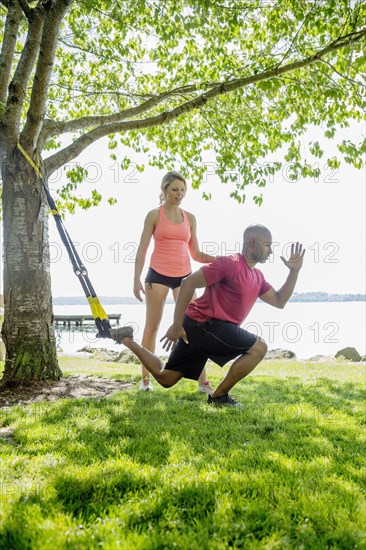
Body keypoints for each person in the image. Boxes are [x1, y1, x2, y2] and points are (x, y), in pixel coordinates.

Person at [116, 224, 305, 407]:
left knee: (167, 378)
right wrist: (176, 324)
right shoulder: (229, 263)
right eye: (267, 245)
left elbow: (279, 301)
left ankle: (126, 339)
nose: (270, 251)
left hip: (203, 328)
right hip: (205, 324)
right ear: (252, 243)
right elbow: (188, 282)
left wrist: (294, 272)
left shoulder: (257, 277)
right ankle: (218, 397)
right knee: (259, 347)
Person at [133, 171, 217, 392]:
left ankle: (203, 382)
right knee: (152, 327)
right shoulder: (153, 215)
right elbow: (142, 250)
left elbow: (196, 254)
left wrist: (219, 259)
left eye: (182, 190)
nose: (179, 194)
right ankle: (145, 380)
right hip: (157, 275)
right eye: (174, 190)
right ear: (164, 190)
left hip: (185, 278)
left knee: (194, 327)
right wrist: (136, 280)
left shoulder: (190, 218)